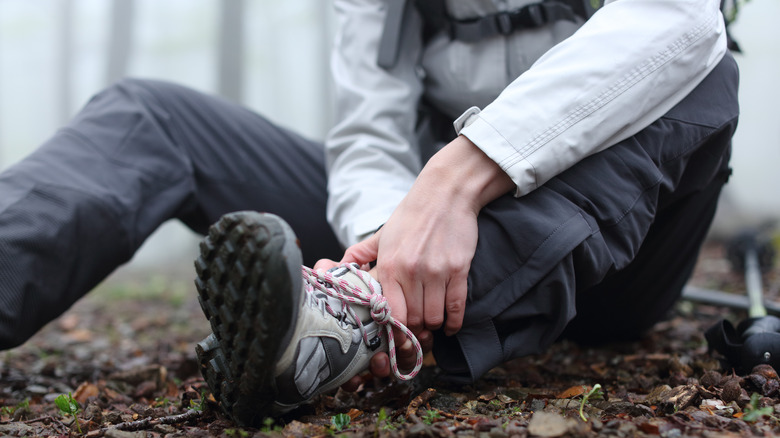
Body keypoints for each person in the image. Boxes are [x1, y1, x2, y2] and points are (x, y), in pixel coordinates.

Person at [0, 0, 738, 428]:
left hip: (627, 252)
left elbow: (680, 21)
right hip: (424, 232)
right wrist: (394, 232)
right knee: (151, 117)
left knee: (708, 72)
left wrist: (460, 175)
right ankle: (353, 306)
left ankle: (354, 323)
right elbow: (367, 129)